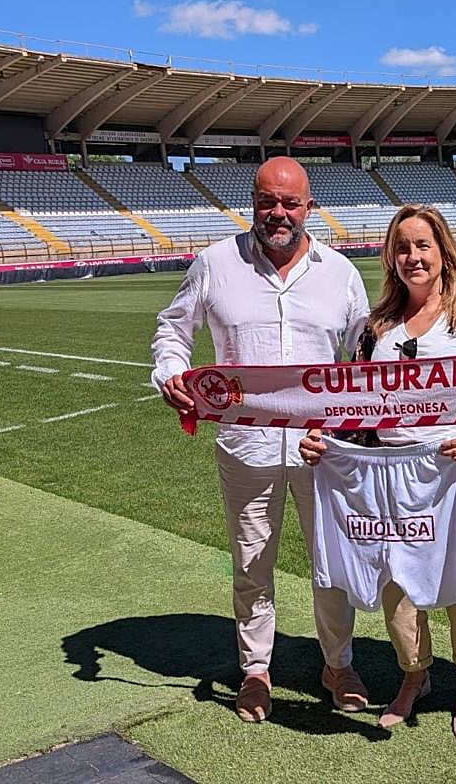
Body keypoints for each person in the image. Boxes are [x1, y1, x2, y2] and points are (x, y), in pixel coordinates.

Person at [151, 156, 372, 723]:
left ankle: (338, 663)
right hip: (244, 447)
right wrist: (171, 374)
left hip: (320, 449)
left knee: (331, 562)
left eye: (289, 202)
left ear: (309, 206)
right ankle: (255, 670)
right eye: (267, 201)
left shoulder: (340, 272)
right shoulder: (216, 262)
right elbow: (173, 328)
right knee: (252, 563)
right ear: (253, 201)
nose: (277, 212)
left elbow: (365, 356)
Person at [300, 203, 456, 743]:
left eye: (422, 245)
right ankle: (413, 676)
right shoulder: (376, 330)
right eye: (402, 247)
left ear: (443, 253)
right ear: (390, 258)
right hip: (387, 487)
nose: (412, 256)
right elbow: (356, 408)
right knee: (396, 594)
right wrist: (327, 441)